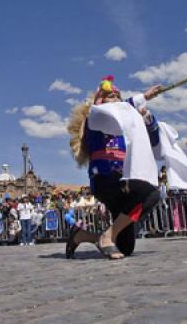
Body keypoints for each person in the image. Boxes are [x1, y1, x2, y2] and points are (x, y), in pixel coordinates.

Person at [65, 76, 163, 260]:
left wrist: (147, 119)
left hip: (126, 179)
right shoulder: (95, 115)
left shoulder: (129, 122)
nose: (115, 98)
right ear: (99, 100)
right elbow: (114, 112)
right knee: (149, 191)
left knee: (125, 247)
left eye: (117, 95)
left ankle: (85, 235)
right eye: (109, 95)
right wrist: (143, 97)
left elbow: (155, 143)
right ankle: (109, 235)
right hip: (106, 179)